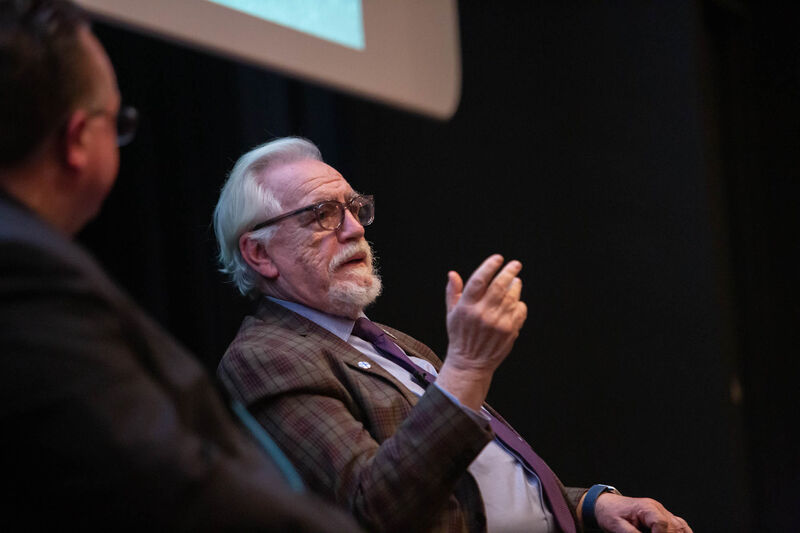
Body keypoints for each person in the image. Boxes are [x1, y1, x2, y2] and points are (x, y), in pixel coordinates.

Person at [0, 2, 361, 530]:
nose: (353, 229)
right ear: (77, 139)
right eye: (119, 123)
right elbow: (166, 479)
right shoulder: (24, 270)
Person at [213, 136, 694, 533]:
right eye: (322, 213)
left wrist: (589, 506)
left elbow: (476, 481)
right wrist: (466, 369)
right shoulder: (266, 356)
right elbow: (374, 509)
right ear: (260, 254)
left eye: (355, 207)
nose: (355, 228)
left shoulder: (389, 342)